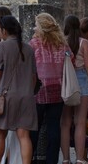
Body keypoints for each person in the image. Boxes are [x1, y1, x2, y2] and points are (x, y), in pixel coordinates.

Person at [0, 15, 37, 164]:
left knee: (0, 135)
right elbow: (33, 76)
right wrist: (28, 91)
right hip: (26, 96)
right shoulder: (29, 48)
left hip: (7, 97)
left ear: (4, 30)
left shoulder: (2, 46)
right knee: (24, 136)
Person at [29, 13, 68, 164]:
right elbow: (69, 60)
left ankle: (31, 158)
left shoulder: (34, 44)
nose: (34, 27)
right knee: (54, 126)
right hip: (58, 89)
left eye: (36, 25)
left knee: (34, 128)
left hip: (39, 90)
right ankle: (51, 160)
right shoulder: (62, 44)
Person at [60, 15, 88, 164]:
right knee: (80, 121)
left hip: (65, 81)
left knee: (65, 122)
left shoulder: (60, 42)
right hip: (81, 80)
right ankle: (80, 158)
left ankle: (65, 158)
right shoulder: (84, 44)